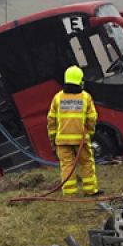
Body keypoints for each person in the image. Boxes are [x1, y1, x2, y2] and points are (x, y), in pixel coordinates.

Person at [47, 66, 99, 198]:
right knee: (86, 162)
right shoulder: (85, 97)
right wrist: (90, 133)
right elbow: (92, 118)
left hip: (62, 140)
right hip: (80, 139)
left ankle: (70, 193)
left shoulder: (58, 98)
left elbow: (51, 121)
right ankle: (90, 190)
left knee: (67, 165)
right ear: (80, 80)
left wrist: (53, 140)